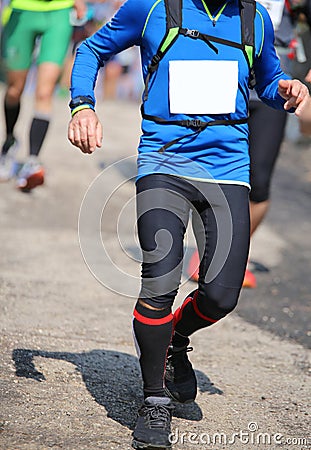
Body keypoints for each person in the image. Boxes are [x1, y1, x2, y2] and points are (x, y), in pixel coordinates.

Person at [67, 0, 309, 448]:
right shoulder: (151, 6)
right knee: (160, 281)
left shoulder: (253, 17)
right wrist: (82, 105)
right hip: (164, 161)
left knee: (220, 297)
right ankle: (154, 402)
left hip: (228, 168)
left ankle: (176, 339)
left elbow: (269, 81)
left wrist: (287, 90)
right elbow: (91, 51)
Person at [187, 0, 311, 288]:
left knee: (260, 181)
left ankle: (229, 254)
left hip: (275, 79)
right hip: (225, 68)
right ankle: (208, 252)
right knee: (207, 169)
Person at [0, 0, 86, 191]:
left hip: (59, 10)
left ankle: (32, 161)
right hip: (22, 9)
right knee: (14, 90)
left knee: (45, 92)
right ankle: (9, 142)